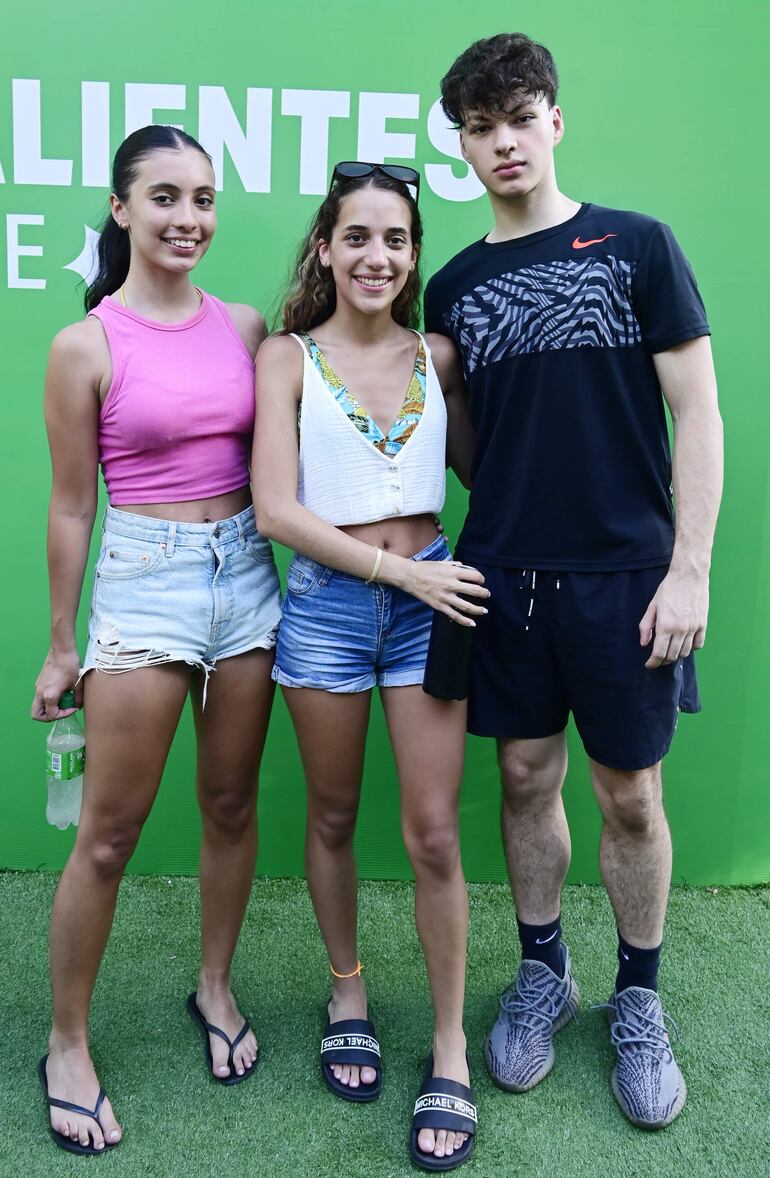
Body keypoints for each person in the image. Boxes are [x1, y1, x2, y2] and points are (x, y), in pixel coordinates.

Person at [424, 34, 723, 1129]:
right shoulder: (452, 287)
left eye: (519, 115)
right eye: (478, 124)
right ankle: (543, 971)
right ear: (460, 141)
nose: (501, 139)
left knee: (628, 794)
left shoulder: (637, 246)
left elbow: (696, 412)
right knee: (520, 780)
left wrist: (684, 569)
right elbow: (459, 441)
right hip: (503, 578)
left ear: (554, 119)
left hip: (626, 579)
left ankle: (636, 995)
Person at [31, 125, 282, 1155]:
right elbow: (68, 508)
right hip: (144, 583)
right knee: (109, 833)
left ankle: (213, 984)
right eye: (167, 198)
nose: (190, 219)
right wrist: (61, 644)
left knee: (228, 802)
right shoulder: (86, 343)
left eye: (204, 199)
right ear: (123, 208)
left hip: (249, 582)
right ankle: (66, 1040)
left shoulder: (246, 324)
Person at [253, 162, 488, 1170]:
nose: (375, 256)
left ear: (410, 253)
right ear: (324, 246)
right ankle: (346, 984)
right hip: (327, 611)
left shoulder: (439, 351)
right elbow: (277, 508)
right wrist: (398, 575)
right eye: (356, 236)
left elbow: (495, 467)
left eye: (394, 239)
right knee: (334, 814)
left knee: (434, 831)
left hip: (433, 599)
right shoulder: (285, 357)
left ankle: (448, 1046)